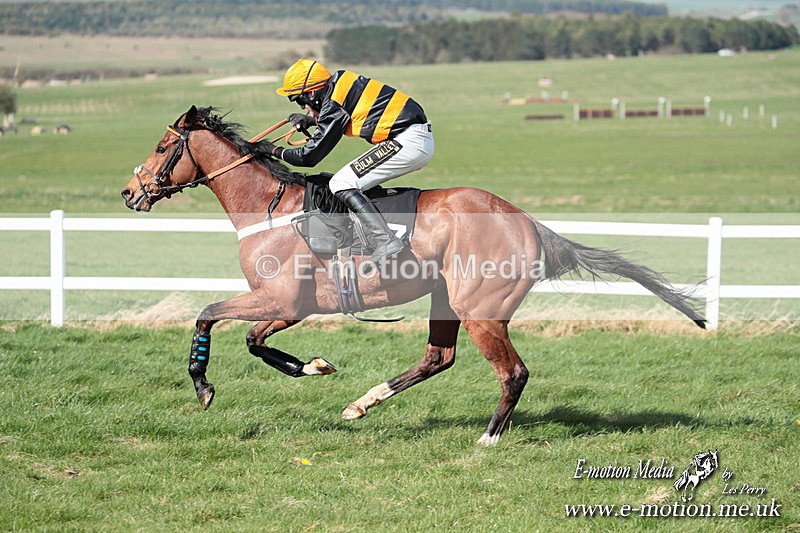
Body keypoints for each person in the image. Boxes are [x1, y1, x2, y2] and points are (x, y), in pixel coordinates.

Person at [264, 59, 433, 265]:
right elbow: (344, 115)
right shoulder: (339, 85)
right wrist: (313, 120)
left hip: (408, 141)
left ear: (311, 93)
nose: (302, 107)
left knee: (341, 183)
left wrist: (272, 150)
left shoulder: (334, 103)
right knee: (351, 181)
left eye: (299, 100)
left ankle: (386, 240)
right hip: (410, 136)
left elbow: (308, 157)